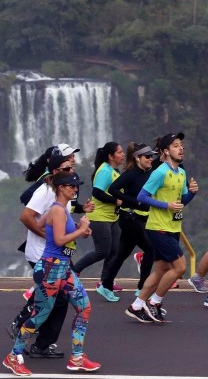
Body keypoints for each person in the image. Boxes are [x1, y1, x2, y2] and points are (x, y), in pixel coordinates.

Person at [3, 172, 99, 376]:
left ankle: (77, 357)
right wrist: (81, 229)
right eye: (72, 186)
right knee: (39, 316)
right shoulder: (58, 210)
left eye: (76, 186)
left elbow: (40, 224)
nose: (75, 190)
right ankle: (13, 356)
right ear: (62, 188)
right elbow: (59, 240)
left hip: (62, 269)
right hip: (50, 269)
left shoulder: (58, 209)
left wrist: (78, 232)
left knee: (84, 307)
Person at [7, 155, 76, 359]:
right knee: (57, 299)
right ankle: (30, 337)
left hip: (56, 255)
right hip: (42, 253)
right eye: (66, 168)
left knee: (53, 298)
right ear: (55, 172)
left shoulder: (64, 193)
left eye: (71, 167)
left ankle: (32, 336)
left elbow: (60, 221)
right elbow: (25, 217)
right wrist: (50, 236)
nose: (71, 171)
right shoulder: (45, 191)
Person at [127, 132, 198, 323]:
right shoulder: (159, 172)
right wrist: (166, 206)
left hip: (173, 227)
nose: (181, 148)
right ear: (166, 151)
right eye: (176, 145)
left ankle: (136, 306)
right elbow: (142, 197)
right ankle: (155, 302)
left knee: (160, 269)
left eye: (181, 145)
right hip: (158, 227)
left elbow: (180, 201)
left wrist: (191, 194)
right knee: (180, 267)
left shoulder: (181, 173)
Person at [102, 143, 157, 301]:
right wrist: (132, 201)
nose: (150, 159)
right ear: (138, 158)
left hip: (141, 217)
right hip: (129, 217)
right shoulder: (131, 174)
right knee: (150, 248)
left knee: (122, 253)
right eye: (147, 156)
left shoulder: (150, 173)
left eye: (151, 156)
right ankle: (142, 288)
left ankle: (106, 285)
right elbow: (113, 189)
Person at [72, 142, 124, 280]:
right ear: (110, 156)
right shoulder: (105, 171)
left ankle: (105, 282)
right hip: (99, 216)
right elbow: (97, 192)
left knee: (115, 250)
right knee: (103, 251)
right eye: (119, 152)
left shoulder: (114, 171)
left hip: (112, 217)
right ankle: (74, 271)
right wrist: (116, 201)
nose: (123, 155)